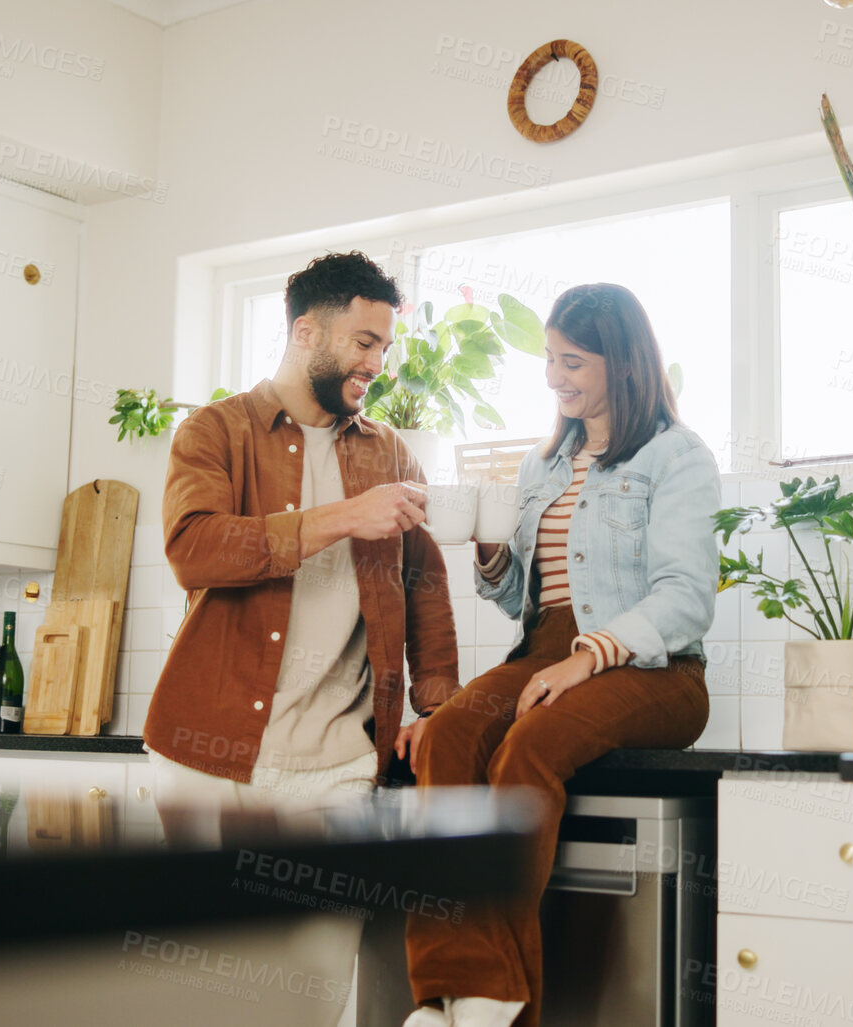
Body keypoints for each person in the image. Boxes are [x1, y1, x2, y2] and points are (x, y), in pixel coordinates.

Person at [142, 251, 460, 1027]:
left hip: (339, 767)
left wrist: (437, 707)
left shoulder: (387, 452)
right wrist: (341, 519)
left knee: (314, 996)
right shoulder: (214, 431)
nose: (374, 363)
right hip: (207, 754)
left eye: (384, 346)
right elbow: (195, 548)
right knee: (209, 995)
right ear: (304, 330)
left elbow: (424, 584)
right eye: (361, 341)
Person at [403, 284, 718, 1027]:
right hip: (543, 652)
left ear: (624, 362)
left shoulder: (677, 456)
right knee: (445, 736)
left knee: (526, 749)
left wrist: (586, 658)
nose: (554, 375)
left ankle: (502, 1006)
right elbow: (522, 602)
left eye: (571, 360)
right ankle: (454, 989)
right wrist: (488, 555)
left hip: (655, 670)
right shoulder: (543, 466)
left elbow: (685, 598)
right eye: (549, 358)